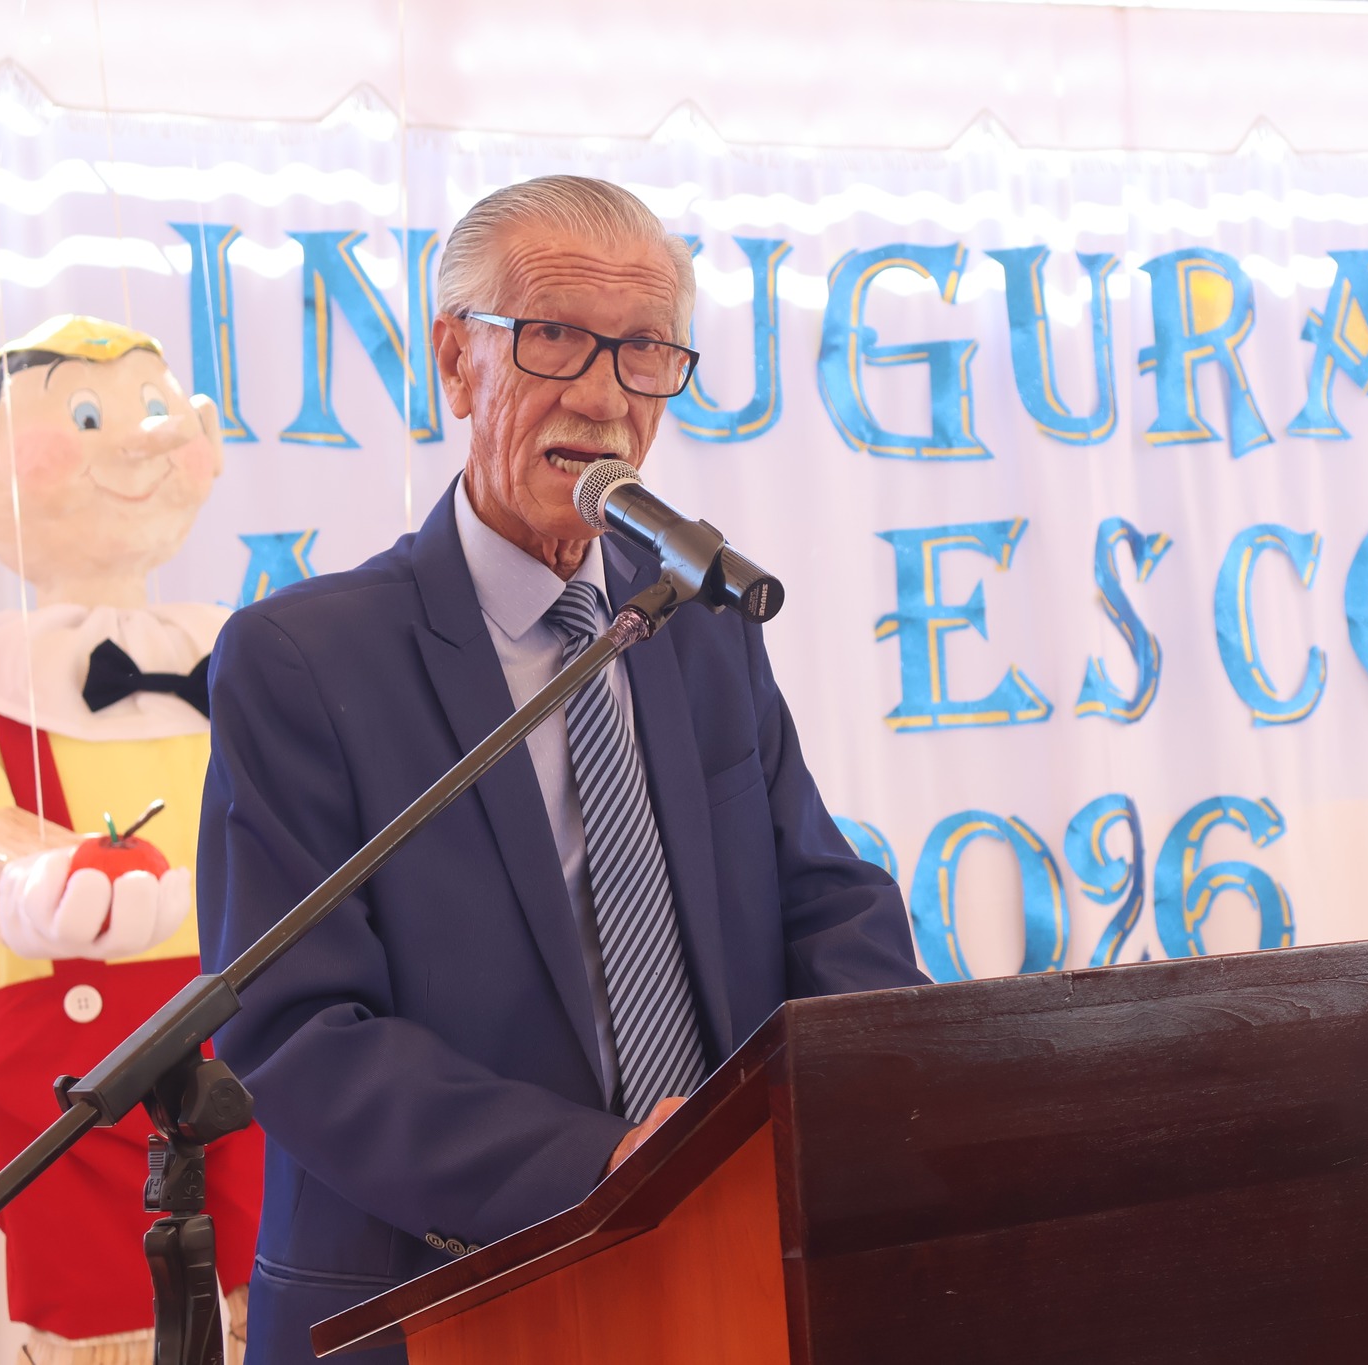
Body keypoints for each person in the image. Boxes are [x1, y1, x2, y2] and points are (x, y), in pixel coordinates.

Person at [197, 175, 927, 1365]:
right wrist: (604, 1169)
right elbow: (297, 1025)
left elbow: (819, 896)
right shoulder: (302, 659)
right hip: (440, 1298)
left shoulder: (695, 620)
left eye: (644, 353)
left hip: (726, 1266)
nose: (601, 395)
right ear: (455, 358)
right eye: (553, 341)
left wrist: (883, 1092)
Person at [0, 315, 262, 1365]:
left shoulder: (239, 649)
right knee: (104, 1303)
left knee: (270, 1277)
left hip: (248, 1010)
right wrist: (36, 880)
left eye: (149, 408)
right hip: (70, 1037)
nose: (130, 443)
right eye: (83, 418)